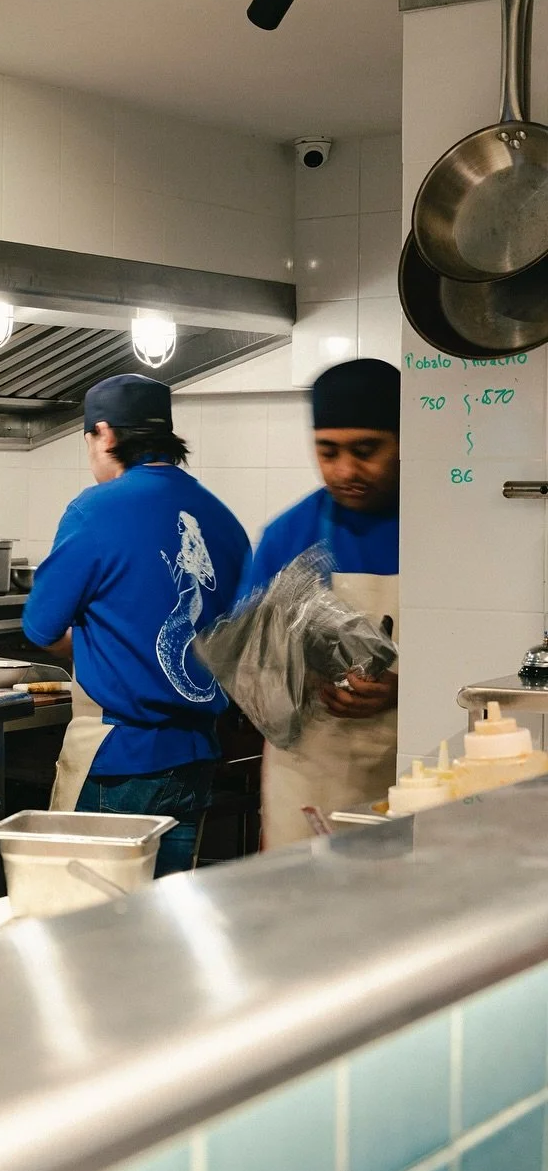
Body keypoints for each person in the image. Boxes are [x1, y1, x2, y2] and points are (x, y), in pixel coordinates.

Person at [22, 374, 250, 877]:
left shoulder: (94, 510)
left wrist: (94, 644)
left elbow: (40, 627)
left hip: (119, 759)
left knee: (92, 922)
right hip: (195, 758)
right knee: (165, 924)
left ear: (103, 434)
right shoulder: (223, 520)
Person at [240, 356, 399, 848]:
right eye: (327, 452)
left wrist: (404, 690)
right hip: (307, 780)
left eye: (366, 450)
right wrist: (303, 674)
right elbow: (248, 665)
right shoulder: (290, 535)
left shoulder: (445, 532)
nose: (346, 470)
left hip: (412, 774)